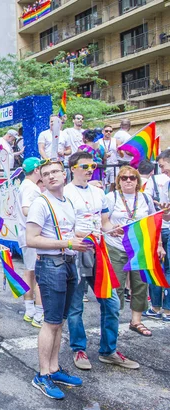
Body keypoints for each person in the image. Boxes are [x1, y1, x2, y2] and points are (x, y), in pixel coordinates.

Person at [64, 152, 139, 371]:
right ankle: (78, 348)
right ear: (73, 168)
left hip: (99, 252)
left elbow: (104, 222)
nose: (89, 169)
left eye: (92, 165)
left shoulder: (99, 193)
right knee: (76, 305)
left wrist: (111, 230)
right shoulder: (65, 193)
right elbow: (63, 226)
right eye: (85, 166)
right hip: (77, 254)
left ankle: (109, 351)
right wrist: (81, 236)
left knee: (112, 303)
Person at [26, 159, 89, 400]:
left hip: (68, 263)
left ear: (64, 174)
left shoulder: (67, 201)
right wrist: (68, 243)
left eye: (55, 172)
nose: (51, 176)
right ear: (41, 179)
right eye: (46, 174)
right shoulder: (40, 204)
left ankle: (53, 369)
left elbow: (68, 231)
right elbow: (31, 239)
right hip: (51, 264)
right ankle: (42, 375)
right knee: (51, 322)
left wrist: (94, 234)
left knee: (59, 321)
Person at [106, 166, 169, 337]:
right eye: (124, 177)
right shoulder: (111, 198)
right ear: (118, 180)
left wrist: (159, 245)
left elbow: (155, 223)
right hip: (116, 246)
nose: (128, 180)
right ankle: (114, 322)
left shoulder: (145, 198)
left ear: (137, 181)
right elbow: (102, 221)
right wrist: (112, 228)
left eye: (132, 178)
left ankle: (136, 321)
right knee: (116, 285)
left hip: (140, 247)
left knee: (140, 284)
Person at [16, 158, 44, 327]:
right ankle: (38, 313)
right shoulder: (30, 187)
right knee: (39, 274)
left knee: (30, 271)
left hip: (26, 234)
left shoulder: (25, 186)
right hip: (32, 235)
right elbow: (27, 210)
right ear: (36, 170)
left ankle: (30, 310)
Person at [146, 151, 170, 320]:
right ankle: (161, 308)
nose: (162, 170)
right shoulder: (167, 183)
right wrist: (166, 210)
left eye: (163, 166)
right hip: (162, 226)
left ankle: (165, 309)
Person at [101, 124, 119, 189]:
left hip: (114, 164)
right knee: (103, 183)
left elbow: (121, 153)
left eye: (110, 131)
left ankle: (111, 195)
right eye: (106, 131)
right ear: (103, 131)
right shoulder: (99, 142)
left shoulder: (116, 140)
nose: (108, 132)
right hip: (104, 165)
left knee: (114, 183)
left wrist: (119, 151)